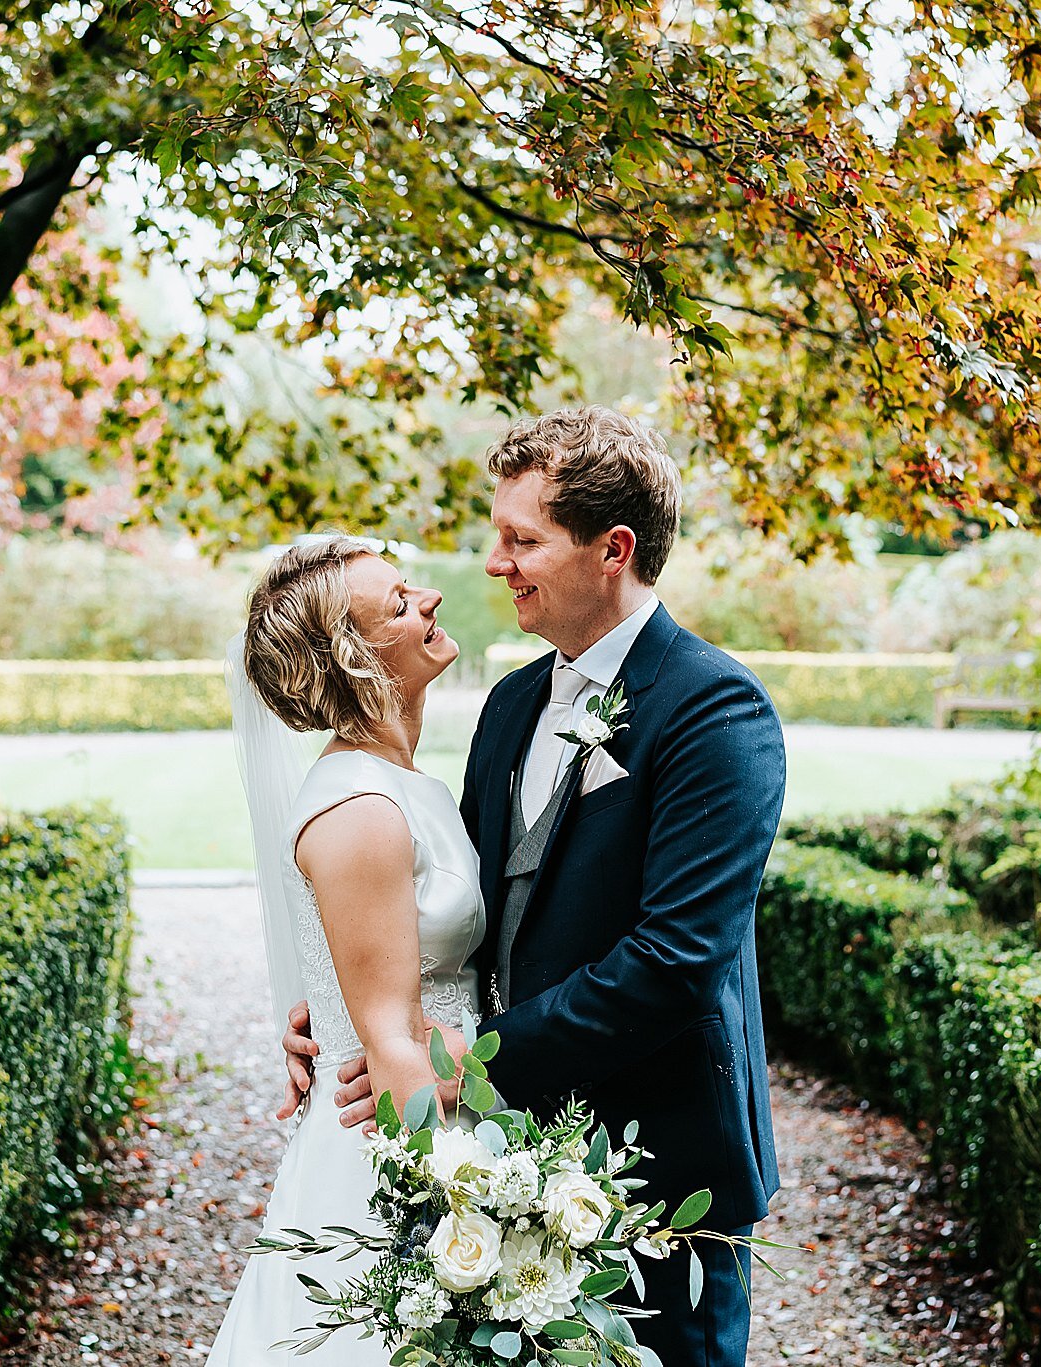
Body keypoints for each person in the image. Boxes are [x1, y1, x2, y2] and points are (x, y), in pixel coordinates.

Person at [278, 406, 787, 1367]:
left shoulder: (716, 709)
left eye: (523, 539)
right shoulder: (513, 701)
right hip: (503, 1171)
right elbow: (461, 909)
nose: (494, 562)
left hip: (662, 1181)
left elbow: (675, 961)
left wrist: (469, 1063)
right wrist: (352, 998)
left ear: (613, 549)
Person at [212, 536, 481, 1364]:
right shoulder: (360, 807)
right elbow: (391, 1037)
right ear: (353, 662)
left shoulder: (405, 785)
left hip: (449, 1099)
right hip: (396, 1146)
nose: (429, 598)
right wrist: (463, 1220)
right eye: (399, 604)